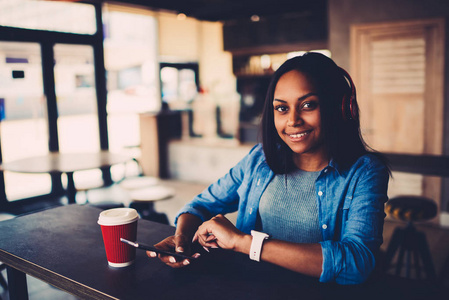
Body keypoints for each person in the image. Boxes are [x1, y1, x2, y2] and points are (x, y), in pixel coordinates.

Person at [147, 52, 390, 285]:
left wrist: (244, 243)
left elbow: (357, 263)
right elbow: (200, 205)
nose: (293, 120)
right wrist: (182, 240)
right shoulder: (259, 159)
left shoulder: (365, 172)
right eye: (282, 108)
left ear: (340, 108)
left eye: (308, 105)